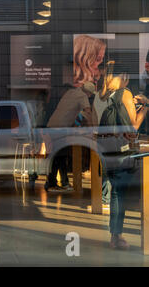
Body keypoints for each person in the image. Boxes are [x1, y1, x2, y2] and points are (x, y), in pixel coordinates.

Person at [100, 74, 148, 250]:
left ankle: (115, 235)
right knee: (119, 193)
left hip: (107, 149)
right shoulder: (125, 93)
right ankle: (117, 236)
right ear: (124, 78)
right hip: (121, 150)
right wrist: (146, 106)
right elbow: (133, 127)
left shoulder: (103, 96)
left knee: (116, 193)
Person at [44, 82, 95, 192]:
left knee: (61, 155)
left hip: (53, 126)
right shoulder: (83, 95)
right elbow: (88, 112)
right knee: (59, 156)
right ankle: (51, 184)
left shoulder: (71, 92)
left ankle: (64, 182)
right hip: (60, 129)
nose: (90, 97)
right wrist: (93, 129)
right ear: (88, 93)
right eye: (90, 95)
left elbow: (68, 111)